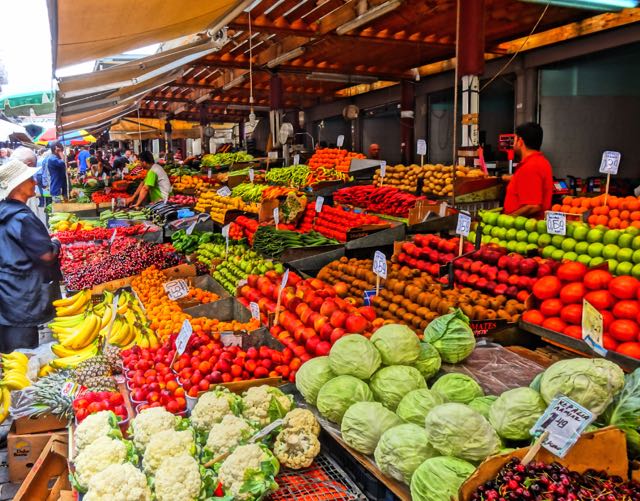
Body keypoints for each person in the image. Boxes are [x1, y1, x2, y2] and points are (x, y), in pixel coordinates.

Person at [0, 159, 62, 350]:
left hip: (8, 293)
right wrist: (56, 243)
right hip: (23, 299)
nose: (35, 182)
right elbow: (46, 255)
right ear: (18, 186)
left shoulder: (4, 211)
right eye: (30, 179)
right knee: (22, 353)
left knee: (9, 355)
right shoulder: (23, 218)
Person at [503, 122, 553, 218]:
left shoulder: (530, 167)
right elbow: (530, 182)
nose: (513, 143)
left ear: (520, 141)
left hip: (523, 229)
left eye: (514, 139)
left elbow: (533, 206)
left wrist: (508, 219)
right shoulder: (542, 162)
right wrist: (510, 178)